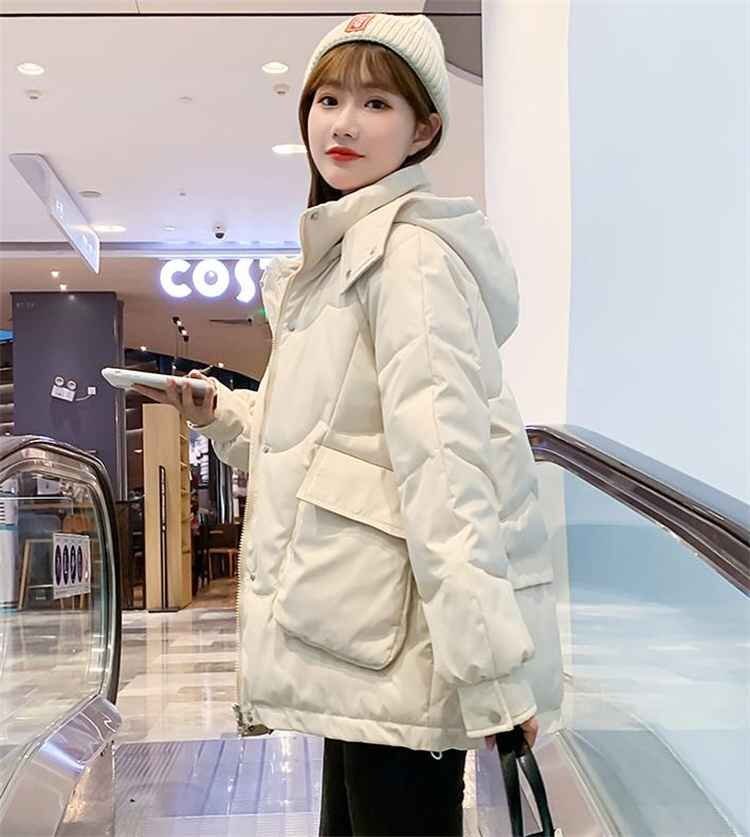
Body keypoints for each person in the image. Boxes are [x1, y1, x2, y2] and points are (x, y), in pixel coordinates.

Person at [134, 12, 561, 836]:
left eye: (375, 103)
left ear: (422, 129)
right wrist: (223, 414)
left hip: (400, 647)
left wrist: (492, 674)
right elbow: (320, 442)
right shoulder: (344, 260)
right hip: (360, 642)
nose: (344, 123)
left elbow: (448, 470)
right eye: (328, 99)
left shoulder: (409, 259)